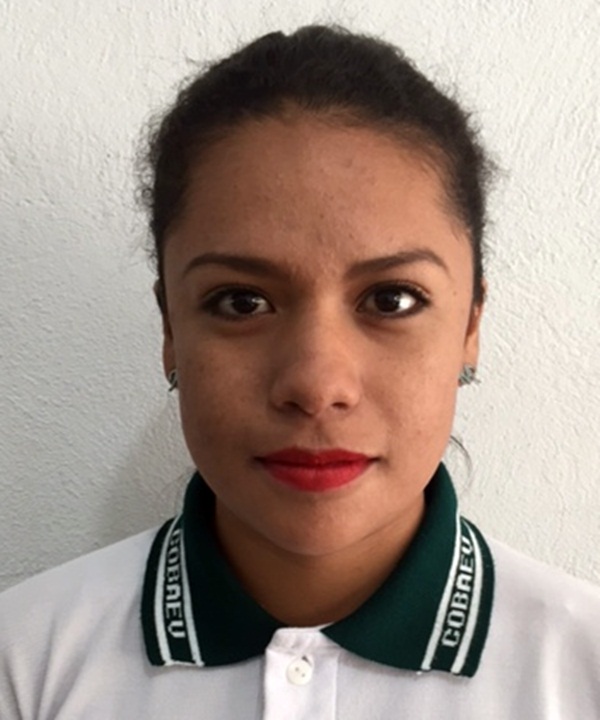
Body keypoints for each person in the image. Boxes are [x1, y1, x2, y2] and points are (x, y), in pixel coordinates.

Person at [0, 24, 599, 719]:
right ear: (170, 329)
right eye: (241, 301)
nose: (317, 386)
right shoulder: (25, 662)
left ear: (470, 326)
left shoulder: (580, 668)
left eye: (391, 300)